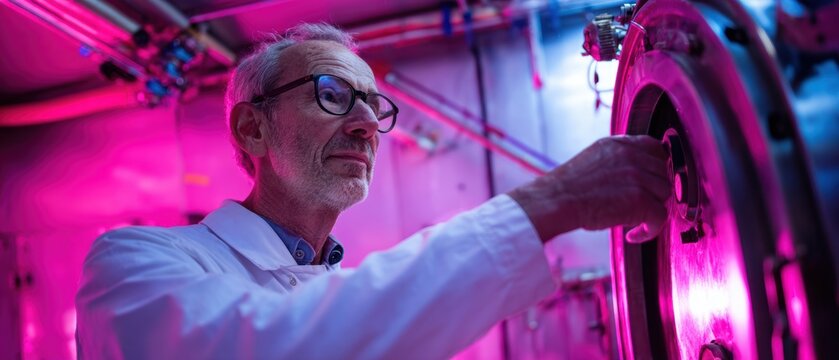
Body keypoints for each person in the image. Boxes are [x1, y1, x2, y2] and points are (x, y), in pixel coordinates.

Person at [75, 23, 670, 359]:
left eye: (373, 104)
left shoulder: (351, 294)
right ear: (253, 128)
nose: (366, 123)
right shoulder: (136, 261)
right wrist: (552, 202)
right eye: (332, 94)